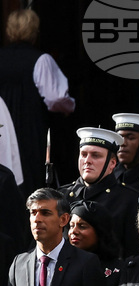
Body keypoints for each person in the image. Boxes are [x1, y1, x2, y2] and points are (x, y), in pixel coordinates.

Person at [0, 9, 75, 195]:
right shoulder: (41, 60)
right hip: (29, 129)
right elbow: (56, 99)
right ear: (35, 31)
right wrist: (70, 106)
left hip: (2, 128)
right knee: (30, 181)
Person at [61, 128, 139, 258]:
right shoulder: (62, 196)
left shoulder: (129, 200)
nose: (87, 160)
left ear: (112, 163)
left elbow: (133, 253)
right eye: (83, 154)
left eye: (96, 155)